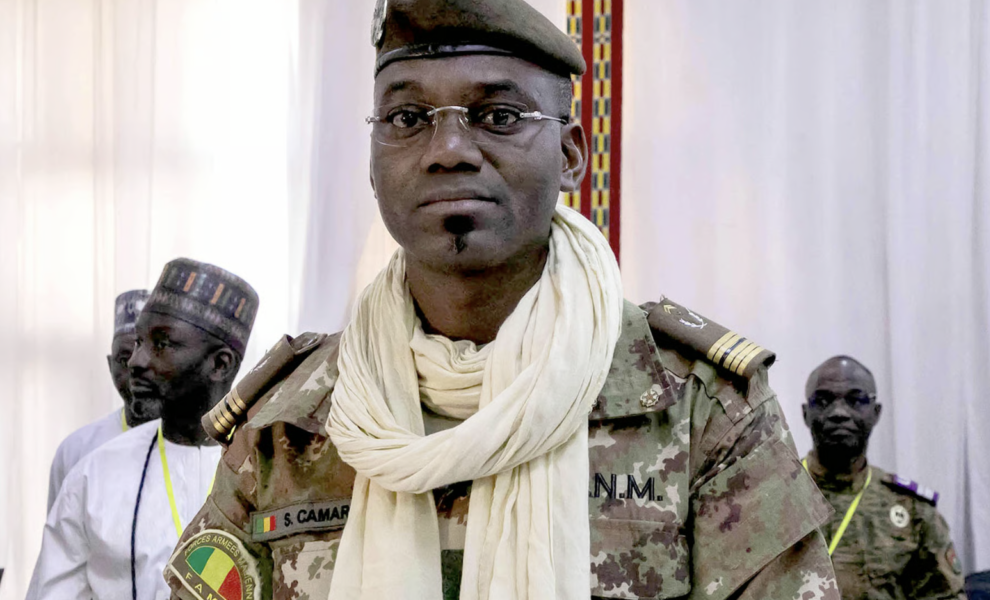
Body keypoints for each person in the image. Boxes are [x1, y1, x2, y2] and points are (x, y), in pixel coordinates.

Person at [164, 1, 839, 599]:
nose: (449, 149)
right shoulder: (289, 423)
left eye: (499, 116)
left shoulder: (696, 409)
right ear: (371, 163)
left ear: (570, 155)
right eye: (407, 117)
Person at [27, 258, 258, 600]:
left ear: (220, 364)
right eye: (138, 342)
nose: (136, 361)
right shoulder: (95, 474)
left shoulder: (270, 468)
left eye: (161, 343)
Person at [802, 355, 966, 600]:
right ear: (805, 413)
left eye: (856, 400)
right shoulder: (768, 497)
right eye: (823, 400)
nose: (839, 412)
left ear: (876, 413)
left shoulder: (912, 509)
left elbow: (945, 596)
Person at [45, 289, 157, 511]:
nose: (136, 368)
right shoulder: (76, 450)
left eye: (150, 356)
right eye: (124, 359)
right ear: (110, 365)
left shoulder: (202, 448)